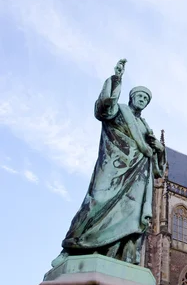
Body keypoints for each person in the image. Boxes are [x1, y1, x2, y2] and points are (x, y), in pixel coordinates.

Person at [51, 59, 165, 267]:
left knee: (130, 217)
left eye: (145, 99)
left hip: (137, 178)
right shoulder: (120, 110)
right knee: (95, 203)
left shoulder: (145, 126)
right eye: (139, 96)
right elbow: (103, 110)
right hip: (113, 168)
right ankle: (70, 247)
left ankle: (119, 257)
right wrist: (116, 80)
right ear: (131, 98)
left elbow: (157, 164)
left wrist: (159, 149)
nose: (142, 100)